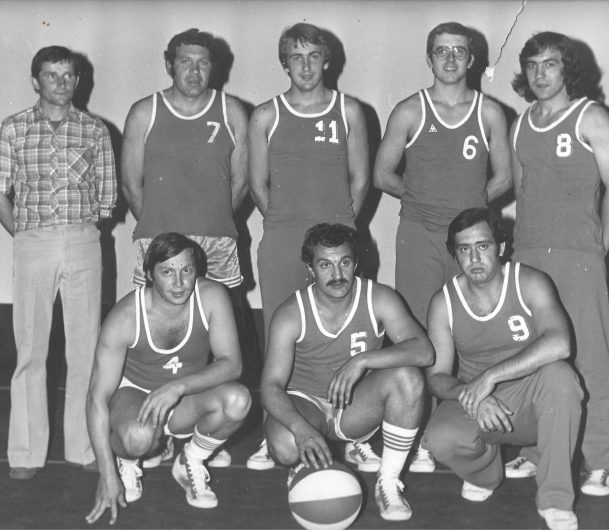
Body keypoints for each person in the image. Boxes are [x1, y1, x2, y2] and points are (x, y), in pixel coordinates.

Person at [509, 31, 609, 496]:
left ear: (567, 70)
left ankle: (600, 461)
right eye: (532, 65)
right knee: (535, 355)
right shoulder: (521, 124)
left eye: (550, 64)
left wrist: (597, 250)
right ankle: (537, 450)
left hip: (579, 257)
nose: (540, 74)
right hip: (529, 258)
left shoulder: (591, 117)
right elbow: (523, 194)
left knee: (589, 356)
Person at [122, 28, 249, 468]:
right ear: (169, 64)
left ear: (214, 68)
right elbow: (131, 184)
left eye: (202, 63)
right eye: (184, 62)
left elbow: (240, 183)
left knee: (218, 337)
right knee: (154, 331)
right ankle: (154, 430)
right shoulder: (145, 111)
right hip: (159, 241)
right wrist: (163, 234)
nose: (194, 71)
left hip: (216, 240)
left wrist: (209, 222)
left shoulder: (232, 111)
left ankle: (205, 433)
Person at [248, 22, 369, 470]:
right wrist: (286, 223)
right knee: (278, 336)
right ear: (285, 63)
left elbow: (361, 180)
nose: (305, 66)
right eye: (296, 57)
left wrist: (341, 225)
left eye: (313, 56)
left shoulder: (349, 110)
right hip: (283, 238)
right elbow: (258, 185)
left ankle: (353, 432)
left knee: (348, 334)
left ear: (327, 61)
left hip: (336, 240)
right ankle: (274, 430)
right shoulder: (265, 115)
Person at [422, 208, 583, 530]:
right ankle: (485, 474)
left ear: (501, 247)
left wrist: (490, 377)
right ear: (455, 254)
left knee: (562, 378)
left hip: (531, 398)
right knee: (439, 438)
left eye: (483, 245)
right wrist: (475, 395)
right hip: (478, 402)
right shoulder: (444, 302)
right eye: (464, 249)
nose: (474, 258)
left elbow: (560, 343)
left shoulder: (529, 282)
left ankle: (555, 499)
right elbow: (436, 377)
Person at [261, 223, 433, 521]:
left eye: (345, 262)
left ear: (356, 263)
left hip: (355, 406)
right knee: (287, 447)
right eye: (325, 265)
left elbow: (424, 352)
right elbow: (270, 386)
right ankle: (302, 466)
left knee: (408, 377)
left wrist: (363, 360)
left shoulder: (378, 297)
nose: (337, 274)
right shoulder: (291, 313)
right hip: (307, 403)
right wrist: (300, 428)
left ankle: (388, 482)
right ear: (310, 268)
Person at [0, 45, 117, 479]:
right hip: (32, 241)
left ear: (78, 81)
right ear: (35, 81)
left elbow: (107, 197)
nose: (61, 83)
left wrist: (77, 232)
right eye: (52, 75)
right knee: (31, 349)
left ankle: (84, 447)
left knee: (86, 348)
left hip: (83, 238)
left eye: (68, 75)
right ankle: (26, 454)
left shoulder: (95, 130)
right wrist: (24, 233)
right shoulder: (13, 128)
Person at [85, 233, 251, 525]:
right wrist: (106, 473)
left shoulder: (211, 296)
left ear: (197, 271)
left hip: (185, 396)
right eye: (167, 272)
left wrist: (177, 387)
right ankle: (128, 461)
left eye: (186, 270)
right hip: (136, 396)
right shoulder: (126, 316)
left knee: (238, 400)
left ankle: (190, 460)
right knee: (138, 438)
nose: (179, 282)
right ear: (149, 275)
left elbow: (232, 364)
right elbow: (97, 398)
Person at [374, 21, 511, 328]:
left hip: (469, 235)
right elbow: (381, 175)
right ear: (429, 59)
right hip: (419, 233)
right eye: (441, 51)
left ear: (471, 60)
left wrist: (470, 203)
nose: (450, 59)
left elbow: (505, 177)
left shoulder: (489, 112)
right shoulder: (410, 111)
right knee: (418, 323)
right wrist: (424, 199)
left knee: (470, 320)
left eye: (459, 51)